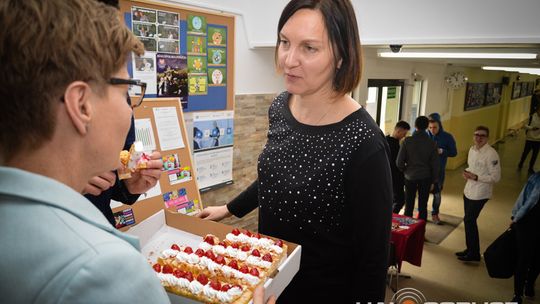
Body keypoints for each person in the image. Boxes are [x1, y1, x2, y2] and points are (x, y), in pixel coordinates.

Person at [198, 0, 393, 302]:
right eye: (285, 42)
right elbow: (276, 172)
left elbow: (373, 263)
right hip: (269, 283)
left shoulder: (364, 144)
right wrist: (229, 209)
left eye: (309, 48)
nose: (289, 60)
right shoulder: (281, 106)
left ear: (341, 56)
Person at [0, 0, 169, 302]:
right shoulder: (107, 271)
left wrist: (124, 186)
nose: (129, 109)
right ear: (81, 105)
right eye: (125, 92)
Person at [84, 0, 163, 228]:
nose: (128, 110)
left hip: (100, 227)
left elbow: (122, 166)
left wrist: (131, 186)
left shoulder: (120, 94)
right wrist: (70, 177)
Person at [456, 126, 501, 262]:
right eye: (476, 135)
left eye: (482, 136)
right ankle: (470, 249)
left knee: (469, 220)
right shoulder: (472, 150)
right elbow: (472, 167)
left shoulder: (491, 154)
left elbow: (496, 177)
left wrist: (476, 177)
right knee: (469, 221)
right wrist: (467, 172)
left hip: (480, 193)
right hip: (468, 191)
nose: (479, 138)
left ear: (487, 138)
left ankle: (474, 253)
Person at [396, 116, 439, 221]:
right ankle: (420, 233)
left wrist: (406, 170)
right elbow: (435, 165)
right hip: (426, 177)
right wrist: (434, 180)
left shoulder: (407, 141)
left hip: (410, 177)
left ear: (415, 126)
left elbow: (399, 162)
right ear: (427, 127)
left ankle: (408, 231)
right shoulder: (432, 143)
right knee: (423, 206)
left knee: (409, 205)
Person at [510, 172, 540, 304]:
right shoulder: (537, 177)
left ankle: (529, 284)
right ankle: (518, 294)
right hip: (527, 223)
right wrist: (515, 216)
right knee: (523, 258)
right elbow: (524, 197)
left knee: (538, 259)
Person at [427, 113, 457, 224]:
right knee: (423, 193)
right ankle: (422, 213)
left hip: (439, 172)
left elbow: (454, 153)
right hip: (425, 171)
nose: (432, 130)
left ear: (440, 125)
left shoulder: (447, 137)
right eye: (430, 127)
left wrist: (442, 151)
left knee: (437, 194)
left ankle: (435, 214)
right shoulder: (424, 135)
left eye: (435, 127)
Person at [387, 121, 411, 214]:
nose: (404, 136)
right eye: (404, 133)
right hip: (395, 177)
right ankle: (391, 218)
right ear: (398, 131)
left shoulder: (386, 140)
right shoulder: (395, 146)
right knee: (400, 200)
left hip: (388, 177)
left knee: (393, 200)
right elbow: (397, 163)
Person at [518, 105, 540, 175]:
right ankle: (521, 163)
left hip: (538, 140)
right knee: (525, 153)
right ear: (537, 110)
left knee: (535, 155)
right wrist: (532, 128)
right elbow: (524, 125)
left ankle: (531, 167)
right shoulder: (532, 116)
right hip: (530, 138)